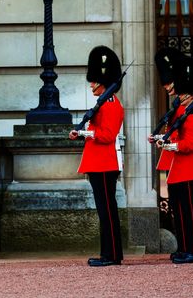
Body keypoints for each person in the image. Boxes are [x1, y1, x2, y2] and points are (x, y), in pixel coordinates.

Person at [69, 45, 124, 267]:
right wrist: (83, 133)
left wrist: (84, 132)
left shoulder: (111, 105)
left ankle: (111, 255)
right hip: (99, 163)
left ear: (103, 81)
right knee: (104, 211)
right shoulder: (102, 104)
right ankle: (108, 253)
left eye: (94, 80)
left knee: (107, 211)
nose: (91, 84)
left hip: (105, 163)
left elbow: (108, 135)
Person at [155, 56, 193, 264]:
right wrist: (161, 138)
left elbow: (189, 144)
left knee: (192, 212)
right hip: (180, 168)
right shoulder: (183, 112)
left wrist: (168, 145)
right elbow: (176, 134)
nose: (182, 96)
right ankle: (186, 247)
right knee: (181, 212)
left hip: (192, 169)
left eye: (187, 93)